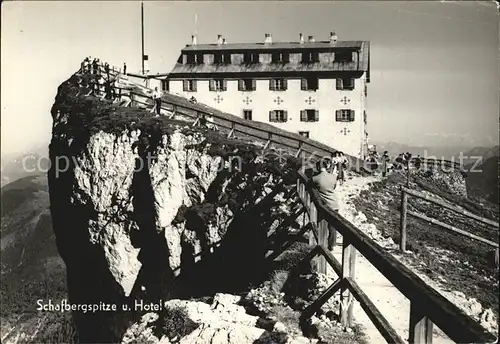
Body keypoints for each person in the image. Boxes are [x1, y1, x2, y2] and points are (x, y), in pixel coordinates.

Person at [311, 159, 339, 251]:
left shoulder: (315, 178)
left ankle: (321, 244)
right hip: (334, 204)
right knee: (333, 226)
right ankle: (332, 245)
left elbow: (310, 186)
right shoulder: (333, 177)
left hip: (324, 204)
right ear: (327, 166)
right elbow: (334, 187)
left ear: (318, 167)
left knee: (321, 223)